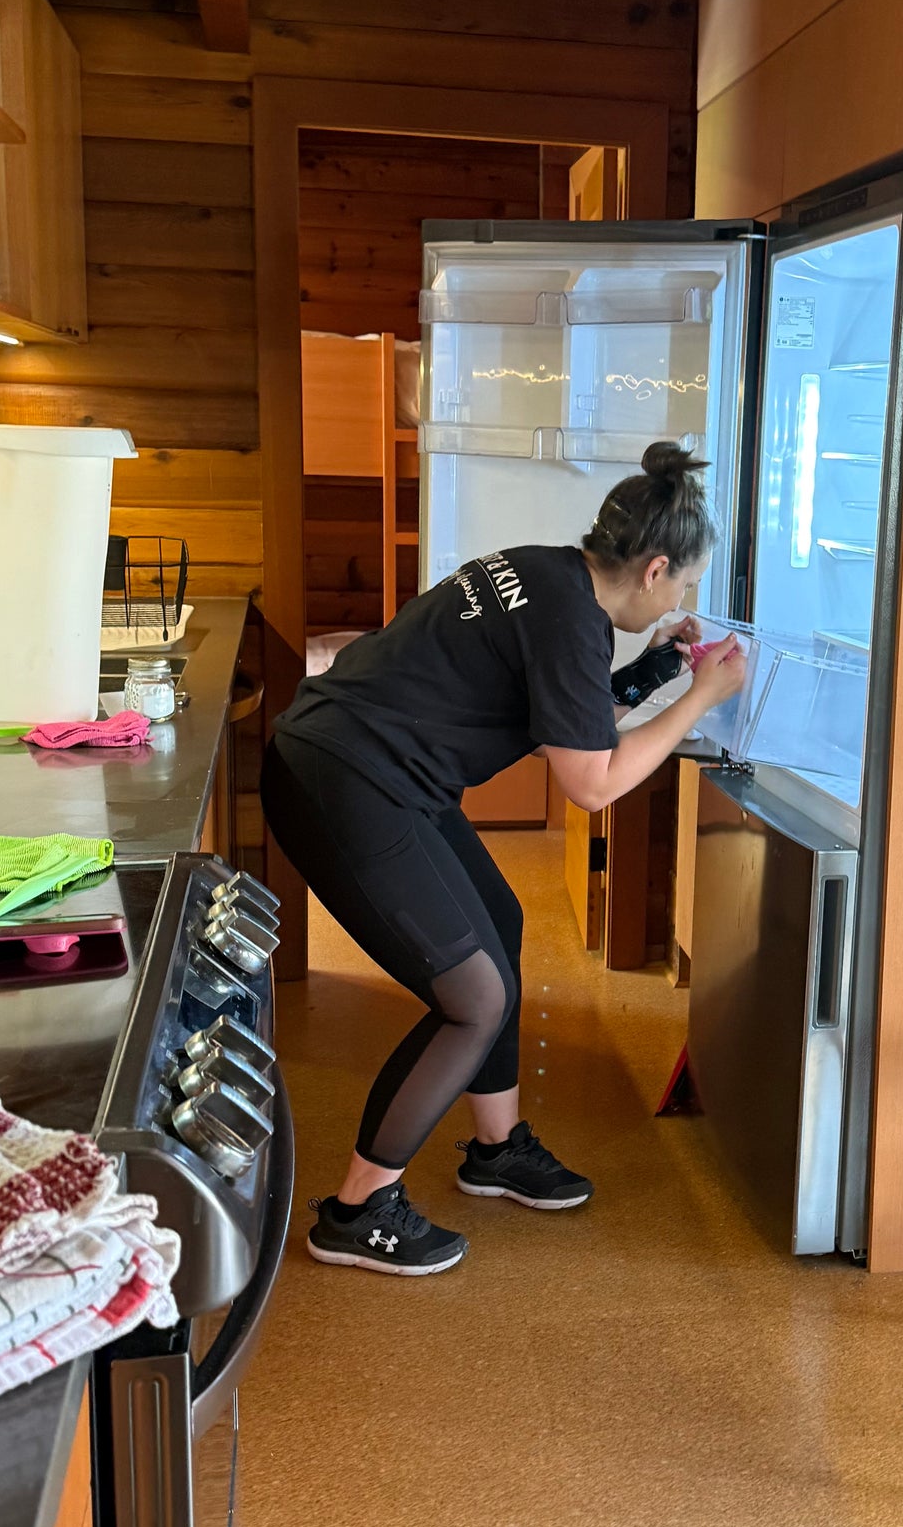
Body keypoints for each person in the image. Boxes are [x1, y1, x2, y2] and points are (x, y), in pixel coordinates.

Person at [261, 440, 747, 1278]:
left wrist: (661, 668)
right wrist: (700, 697)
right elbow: (592, 783)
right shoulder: (568, 617)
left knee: (500, 920)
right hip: (343, 781)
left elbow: (566, 706)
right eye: (688, 584)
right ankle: (357, 1208)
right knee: (472, 998)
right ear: (656, 568)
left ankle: (495, 1149)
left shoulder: (547, 571)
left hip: (367, 764)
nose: (687, 597)